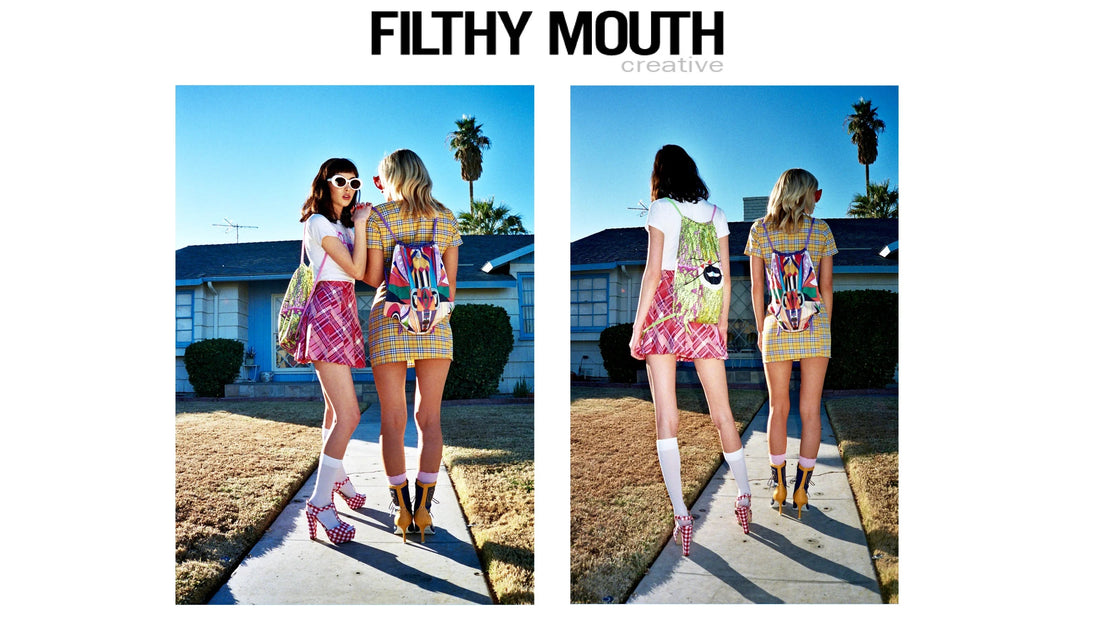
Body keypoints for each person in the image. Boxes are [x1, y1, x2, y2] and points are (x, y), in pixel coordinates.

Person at [628, 144, 752, 557]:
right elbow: (726, 279)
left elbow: (651, 273)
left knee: (667, 413)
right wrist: (718, 326)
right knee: (723, 414)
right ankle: (745, 496)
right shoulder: (717, 214)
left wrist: (637, 328)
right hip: (702, 313)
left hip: (665, 311)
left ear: (660, 173)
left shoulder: (661, 208)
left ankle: (681, 513)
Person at [364, 149, 461, 543]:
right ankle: (424, 509)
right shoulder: (447, 217)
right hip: (434, 321)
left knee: (392, 419)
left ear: (389, 178)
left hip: (389, 318)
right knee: (430, 419)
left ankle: (400, 509)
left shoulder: (380, 218)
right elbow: (450, 287)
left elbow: (373, 278)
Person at [745, 168, 837, 520]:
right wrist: (826, 327)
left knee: (778, 409)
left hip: (776, 327)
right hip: (816, 327)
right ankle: (802, 490)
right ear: (805, 194)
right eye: (816, 192)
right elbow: (826, 289)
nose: (818, 199)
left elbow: (757, 289)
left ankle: (778, 486)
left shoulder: (760, 230)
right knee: (811, 411)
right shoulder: (822, 230)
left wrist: (760, 329)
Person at [294, 157, 372, 544]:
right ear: (324, 184)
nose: (348, 186)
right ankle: (320, 501)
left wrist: (361, 225)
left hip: (344, 311)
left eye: (354, 181)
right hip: (326, 311)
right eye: (340, 180)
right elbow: (357, 271)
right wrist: (360, 224)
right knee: (350, 415)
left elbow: (367, 269)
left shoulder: (343, 226)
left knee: (332, 411)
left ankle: (337, 479)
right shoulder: (319, 223)